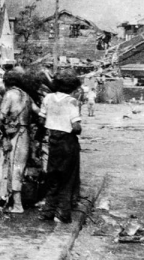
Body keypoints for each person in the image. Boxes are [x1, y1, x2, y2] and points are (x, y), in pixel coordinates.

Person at [0, 70, 39, 213]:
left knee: (10, 167)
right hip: (25, 135)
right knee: (17, 167)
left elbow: (1, 117)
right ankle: (9, 199)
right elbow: (39, 112)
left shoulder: (9, 94)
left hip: (13, 136)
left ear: (7, 82)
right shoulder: (26, 96)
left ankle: (17, 205)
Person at [37, 70, 82, 223]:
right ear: (71, 86)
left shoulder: (48, 98)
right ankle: (63, 213)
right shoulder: (72, 101)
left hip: (53, 141)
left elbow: (41, 121)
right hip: (68, 141)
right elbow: (76, 127)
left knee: (53, 177)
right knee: (67, 179)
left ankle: (47, 211)